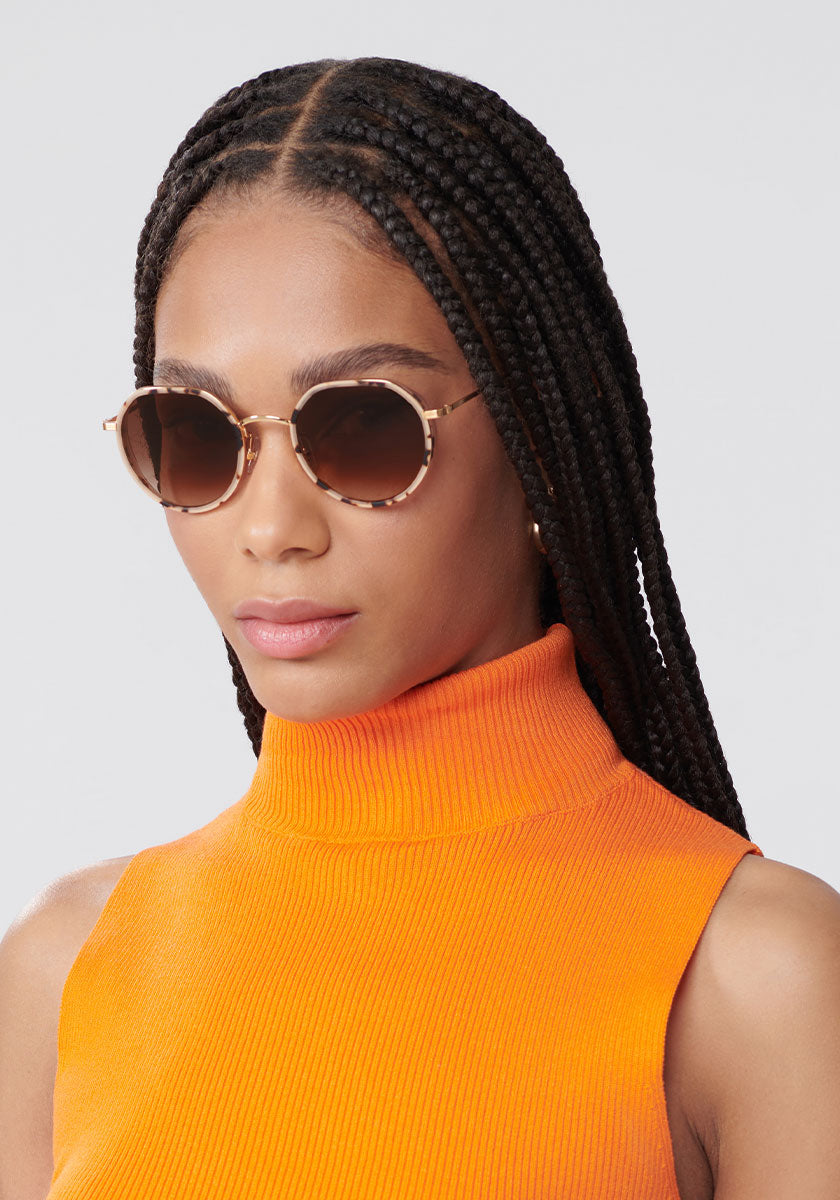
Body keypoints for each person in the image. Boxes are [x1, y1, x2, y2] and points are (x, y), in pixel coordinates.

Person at [1, 56, 838, 1200]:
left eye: (362, 428)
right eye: (195, 435)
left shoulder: (750, 980)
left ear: (540, 444)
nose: (271, 528)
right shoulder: (64, 972)